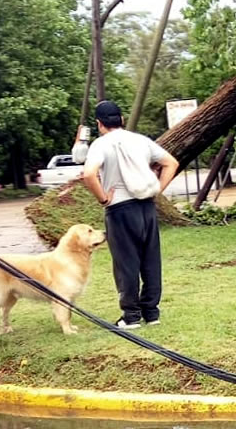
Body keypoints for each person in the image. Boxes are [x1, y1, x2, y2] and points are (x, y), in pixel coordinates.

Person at [81, 100, 179, 329]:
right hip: (146, 206)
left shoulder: (101, 144)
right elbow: (171, 163)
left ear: (99, 123)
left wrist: (103, 198)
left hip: (120, 208)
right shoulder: (140, 140)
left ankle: (131, 316)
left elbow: (88, 174)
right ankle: (151, 312)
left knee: (126, 263)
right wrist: (158, 190)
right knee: (150, 260)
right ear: (122, 119)